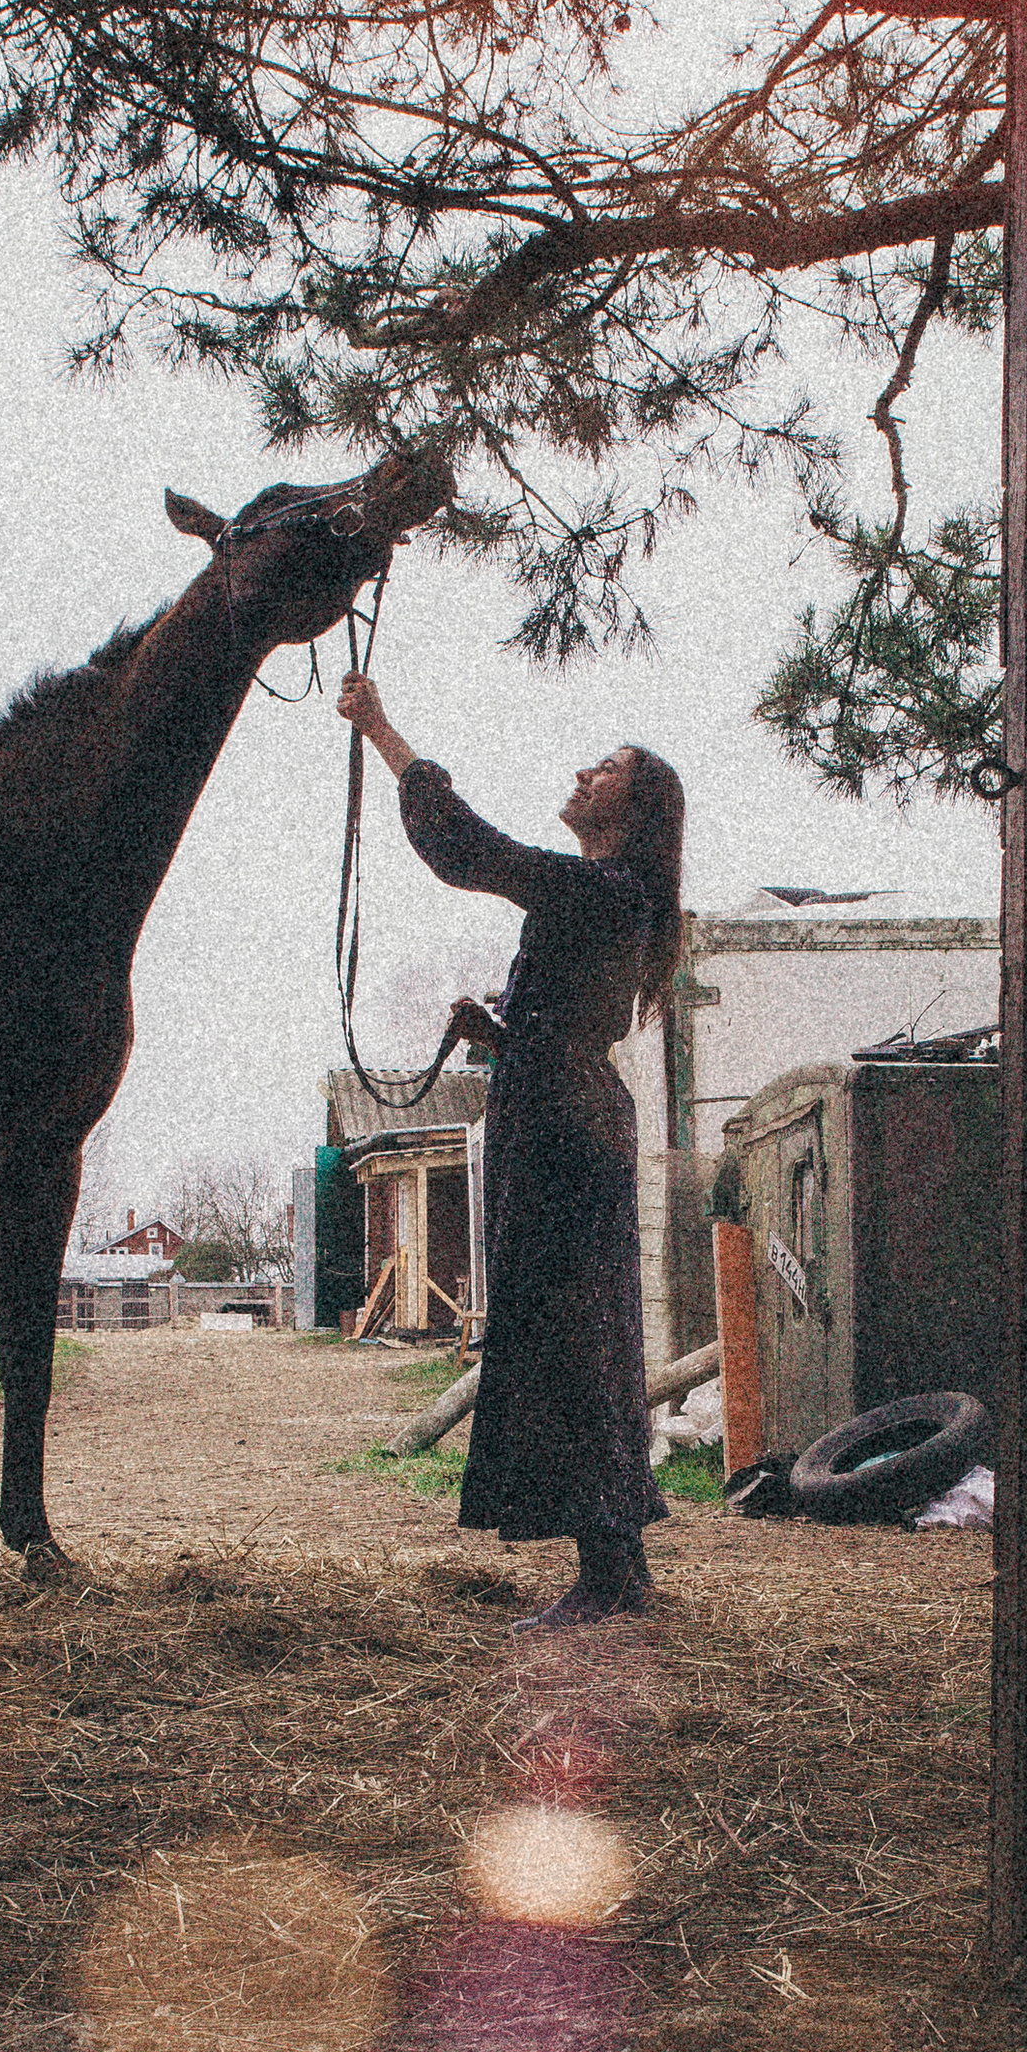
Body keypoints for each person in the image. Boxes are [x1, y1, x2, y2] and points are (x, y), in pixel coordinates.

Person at [337, 672, 686, 1630]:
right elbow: (577, 1018)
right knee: (580, 1332)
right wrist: (499, 1034)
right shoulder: (615, 898)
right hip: (563, 1108)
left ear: (639, 806)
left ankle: (609, 1572)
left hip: (560, 1123)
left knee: (571, 1336)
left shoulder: (605, 889)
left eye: (608, 768)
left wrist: (383, 730)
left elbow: (467, 849)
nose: (586, 771)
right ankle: (618, 1564)